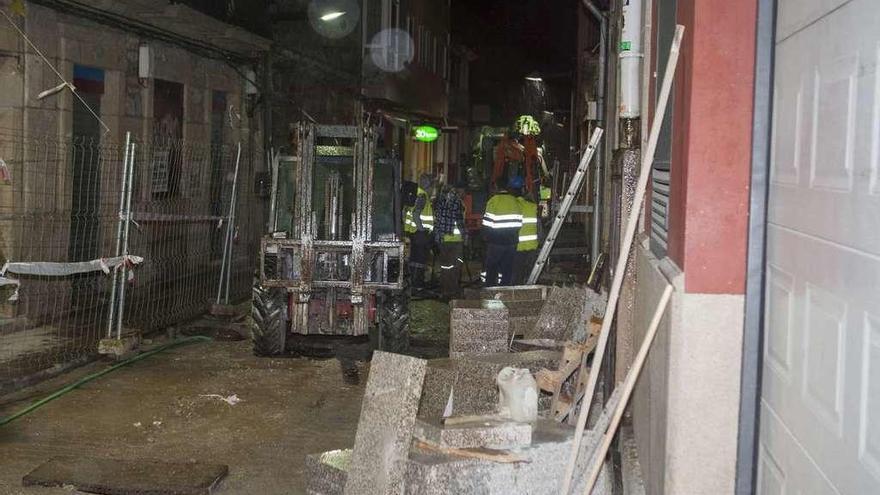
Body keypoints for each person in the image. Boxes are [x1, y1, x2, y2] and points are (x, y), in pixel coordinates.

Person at [481, 176, 523, 286]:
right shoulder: (515, 201)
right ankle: (505, 291)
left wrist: (485, 236)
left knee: (492, 268)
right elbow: (519, 223)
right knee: (507, 269)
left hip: (496, 242)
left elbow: (487, 223)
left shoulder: (493, 201)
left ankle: (489, 290)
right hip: (512, 242)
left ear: (496, 186)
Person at [433, 184, 466, 299]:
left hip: (442, 240)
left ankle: (445, 291)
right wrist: (465, 235)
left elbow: (437, 221)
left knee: (445, 267)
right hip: (455, 240)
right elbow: (459, 220)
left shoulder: (439, 201)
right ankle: (453, 291)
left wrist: (437, 238)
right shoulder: (457, 202)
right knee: (456, 266)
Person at [404, 173, 434, 288]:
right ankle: (417, 284)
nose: (432, 188)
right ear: (427, 184)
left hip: (413, 233)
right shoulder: (422, 195)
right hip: (419, 233)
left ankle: (413, 283)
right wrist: (422, 231)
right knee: (420, 260)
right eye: (431, 185)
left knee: (414, 259)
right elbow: (416, 214)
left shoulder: (416, 192)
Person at [514, 188, 540, 284]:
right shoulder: (533, 207)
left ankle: (518, 291)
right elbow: (539, 228)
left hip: (518, 246)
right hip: (532, 246)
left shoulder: (514, 206)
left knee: (518, 273)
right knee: (530, 272)